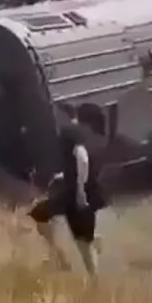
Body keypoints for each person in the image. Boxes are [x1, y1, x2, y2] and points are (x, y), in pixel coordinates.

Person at [29, 104, 108, 276]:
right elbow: (83, 161)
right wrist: (66, 176)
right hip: (83, 192)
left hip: (77, 195)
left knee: (83, 244)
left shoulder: (69, 132)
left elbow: (82, 158)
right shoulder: (91, 136)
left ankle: (92, 280)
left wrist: (80, 190)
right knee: (40, 214)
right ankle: (61, 257)